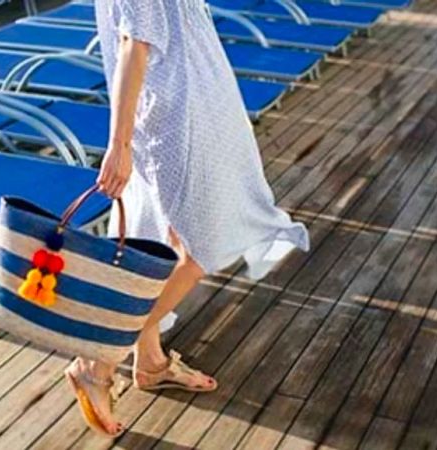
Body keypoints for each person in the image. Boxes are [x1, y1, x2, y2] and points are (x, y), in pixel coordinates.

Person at [64, 0, 310, 437]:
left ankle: (152, 362)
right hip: (179, 114)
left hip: (198, 104)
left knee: (162, 242)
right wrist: (120, 143)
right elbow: (132, 44)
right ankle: (98, 363)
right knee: (194, 248)